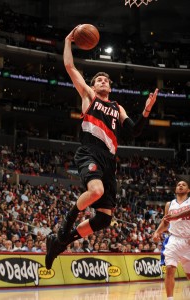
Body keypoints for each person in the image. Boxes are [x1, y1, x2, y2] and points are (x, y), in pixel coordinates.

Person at [45, 26, 158, 270]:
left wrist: (147, 109)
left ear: (111, 87)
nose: (103, 81)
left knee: (105, 218)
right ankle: (65, 226)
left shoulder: (118, 108)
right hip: (89, 152)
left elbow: (135, 130)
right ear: (93, 86)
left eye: (106, 80)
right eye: (99, 79)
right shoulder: (89, 97)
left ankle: (60, 242)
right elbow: (70, 67)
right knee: (94, 191)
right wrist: (67, 41)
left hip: (110, 162)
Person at [153, 180, 190, 300]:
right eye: (178, 185)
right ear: (175, 189)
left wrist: (176, 216)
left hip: (188, 240)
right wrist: (157, 231)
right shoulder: (169, 204)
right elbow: (166, 222)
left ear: (188, 190)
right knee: (169, 269)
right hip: (173, 239)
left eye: (183, 185)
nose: (180, 186)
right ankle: (170, 299)